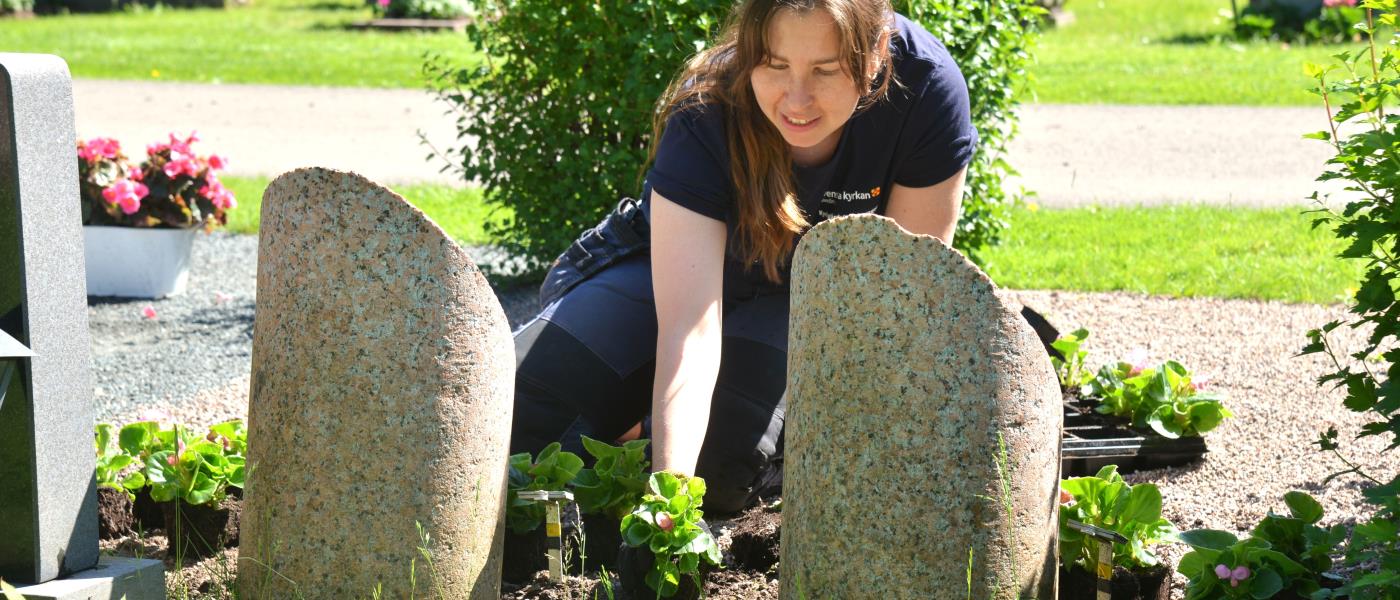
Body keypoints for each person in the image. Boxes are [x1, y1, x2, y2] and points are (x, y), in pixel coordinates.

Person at [510, 0, 977, 515]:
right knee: (521, 413)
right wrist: (671, 493)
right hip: (667, 272)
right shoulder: (706, 107)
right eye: (775, 64)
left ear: (875, 56)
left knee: (724, 467)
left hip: (811, 298)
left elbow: (897, 311)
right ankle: (638, 419)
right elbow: (691, 325)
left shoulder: (926, 89)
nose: (796, 99)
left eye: (825, 70)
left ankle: (648, 421)